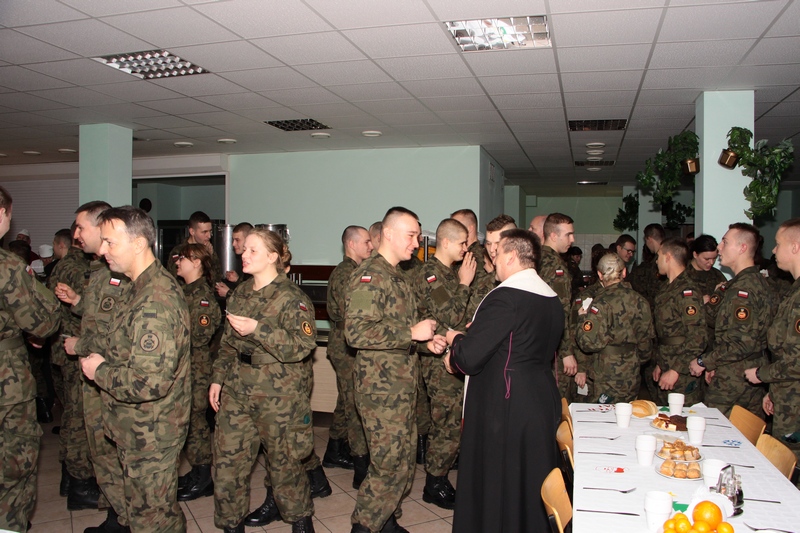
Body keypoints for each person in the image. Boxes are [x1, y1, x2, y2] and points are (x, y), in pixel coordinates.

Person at [79, 206, 192, 532]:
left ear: (139, 243)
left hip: (151, 433)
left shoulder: (154, 300)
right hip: (136, 428)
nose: (103, 250)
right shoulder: (137, 287)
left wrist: (100, 371)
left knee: (152, 521)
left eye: (110, 242)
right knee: (149, 516)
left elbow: (149, 382)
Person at [443, 228, 562, 533]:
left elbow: (469, 358)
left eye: (497, 254)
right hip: (540, 397)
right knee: (529, 480)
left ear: (510, 256)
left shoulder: (506, 297)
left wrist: (455, 340)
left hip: (507, 404)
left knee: (501, 481)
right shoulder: (551, 297)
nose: (492, 260)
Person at [209, 229, 318, 533]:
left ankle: (300, 522)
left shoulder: (292, 298)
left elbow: (303, 346)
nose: (244, 255)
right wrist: (217, 379)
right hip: (237, 390)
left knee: (285, 465)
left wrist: (258, 329)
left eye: (252, 250)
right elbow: (228, 344)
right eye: (244, 250)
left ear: (272, 257)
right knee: (228, 465)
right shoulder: (239, 294)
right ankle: (231, 525)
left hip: (278, 394)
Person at [345, 207, 445, 533]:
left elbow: (397, 332)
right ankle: (364, 525)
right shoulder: (370, 276)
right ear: (388, 234)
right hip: (380, 390)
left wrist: (424, 343)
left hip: (400, 387)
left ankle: (386, 521)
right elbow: (356, 332)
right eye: (411, 235)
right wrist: (411, 333)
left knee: (402, 461)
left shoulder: (397, 275)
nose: (417, 243)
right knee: (387, 464)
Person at [57, 200, 131, 532]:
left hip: (111, 378)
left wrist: (80, 345)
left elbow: (115, 332)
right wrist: (77, 302)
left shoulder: (119, 275)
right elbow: (96, 314)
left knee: (112, 452)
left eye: (81, 227)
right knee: (101, 452)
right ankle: (116, 514)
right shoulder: (100, 272)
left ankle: (124, 518)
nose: (76, 235)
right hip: (94, 375)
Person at [0, 185, 61, 532]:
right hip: (5, 381)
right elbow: (43, 323)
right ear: (2, 214)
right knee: (13, 462)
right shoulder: (8, 267)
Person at [414, 218, 476, 510]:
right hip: (439, 360)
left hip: (454, 354)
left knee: (452, 421)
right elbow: (449, 316)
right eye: (462, 243)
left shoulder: (448, 273)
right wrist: (464, 283)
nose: (466, 248)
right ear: (447, 242)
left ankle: (441, 472)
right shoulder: (430, 274)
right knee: (446, 423)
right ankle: (434, 483)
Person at [690, 223, 774, 417]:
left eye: (725, 242)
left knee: (713, 427)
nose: (719, 247)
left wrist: (704, 361)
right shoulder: (756, 282)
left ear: (742, 248)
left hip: (735, 378)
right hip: (750, 370)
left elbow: (741, 343)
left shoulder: (742, 290)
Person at [47, 225, 97, 511]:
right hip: (78, 348)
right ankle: (80, 481)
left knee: (70, 413)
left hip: (65, 345)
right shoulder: (82, 268)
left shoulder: (61, 266)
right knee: (79, 416)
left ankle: (69, 475)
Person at [744, 218, 800, 458]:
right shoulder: (793, 290)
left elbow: (797, 361)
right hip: (787, 396)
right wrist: (774, 392)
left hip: (795, 405)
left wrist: (761, 374)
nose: (774, 250)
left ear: (795, 247)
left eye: (778, 244)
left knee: (789, 466)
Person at [325, 226, 373, 489]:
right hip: (346, 347)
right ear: (352, 244)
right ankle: (360, 464)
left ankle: (333, 450)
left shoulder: (354, 271)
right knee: (354, 403)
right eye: (366, 241)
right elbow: (357, 311)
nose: (370, 246)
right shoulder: (347, 273)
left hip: (348, 344)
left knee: (346, 399)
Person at [175, 243, 222, 502]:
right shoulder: (184, 291)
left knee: (196, 422)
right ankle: (196, 470)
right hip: (183, 366)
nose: (178, 261)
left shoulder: (202, 297)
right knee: (188, 422)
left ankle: (203, 477)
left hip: (196, 367)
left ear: (197, 263)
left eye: (183, 258)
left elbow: (200, 336)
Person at [575, 253, 655, 403]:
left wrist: (582, 319)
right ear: (624, 272)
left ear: (600, 275)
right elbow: (646, 342)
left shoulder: (600, 303)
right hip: (632, 371)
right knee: (628, 410)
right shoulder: (641, 301)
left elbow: (587, 343)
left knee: (604, 413)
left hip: (606, 373)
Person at [651, 238, 707, 407]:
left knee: (682, 416)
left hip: (682, 370)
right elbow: (667, 333)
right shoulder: (667, 288)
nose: (656, 261)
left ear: (668, 257)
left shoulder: (687, 291)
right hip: (666, 362)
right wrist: (661, 363)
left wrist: (676, 370)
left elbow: (698, 337)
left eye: (659, 256)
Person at [539, 213, 577, 400]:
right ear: (553, 235)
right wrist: (566, 352)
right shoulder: (555, 266)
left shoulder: (534, 258)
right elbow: (560, 311)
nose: (573, 239)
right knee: (558, 400)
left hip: (535, 343)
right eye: (568, 234)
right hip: (553, 346)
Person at [168, 210, 223, 285]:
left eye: (210, 231)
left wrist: (210, 257)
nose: (209, 236)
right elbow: (174, 279)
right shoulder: (178, 251)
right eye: (204, 232)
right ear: (192, 232)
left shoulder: (208, 249)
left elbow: (217, 278)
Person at [216, 222, 253, 298]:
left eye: (237, 240)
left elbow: (250, 299)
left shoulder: (255, 263)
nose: (233, 244)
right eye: (233, 240)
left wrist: (228, 293)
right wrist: (237, 279)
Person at [686, 234, 727, 299]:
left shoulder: (717, 275)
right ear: (695, 254)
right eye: (707, 259)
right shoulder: (681, 272)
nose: (711, 262)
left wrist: (717, 294)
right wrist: (699, 301)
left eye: (714, 258)